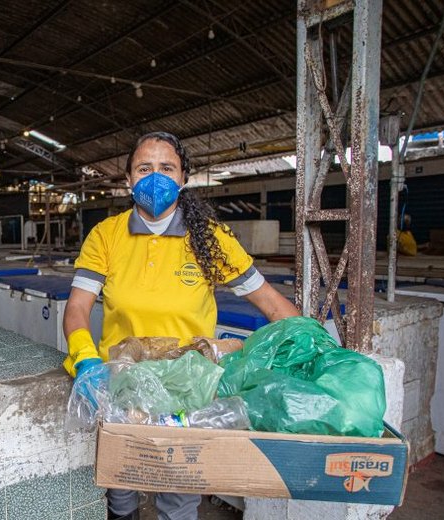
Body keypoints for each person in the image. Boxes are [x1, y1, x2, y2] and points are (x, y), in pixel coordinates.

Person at [62, 131, 299, 520]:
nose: (155, 177)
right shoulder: (106, 236)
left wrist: (313, 344)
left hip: (188, 391)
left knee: (179, 498)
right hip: (122, 387)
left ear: (183, 178)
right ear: (128, 180)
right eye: (144, 168)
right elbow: (77, 308)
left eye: (166, 168)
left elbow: (271, 304)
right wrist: (87, 362)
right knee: (121, 493)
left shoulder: (212, 238)